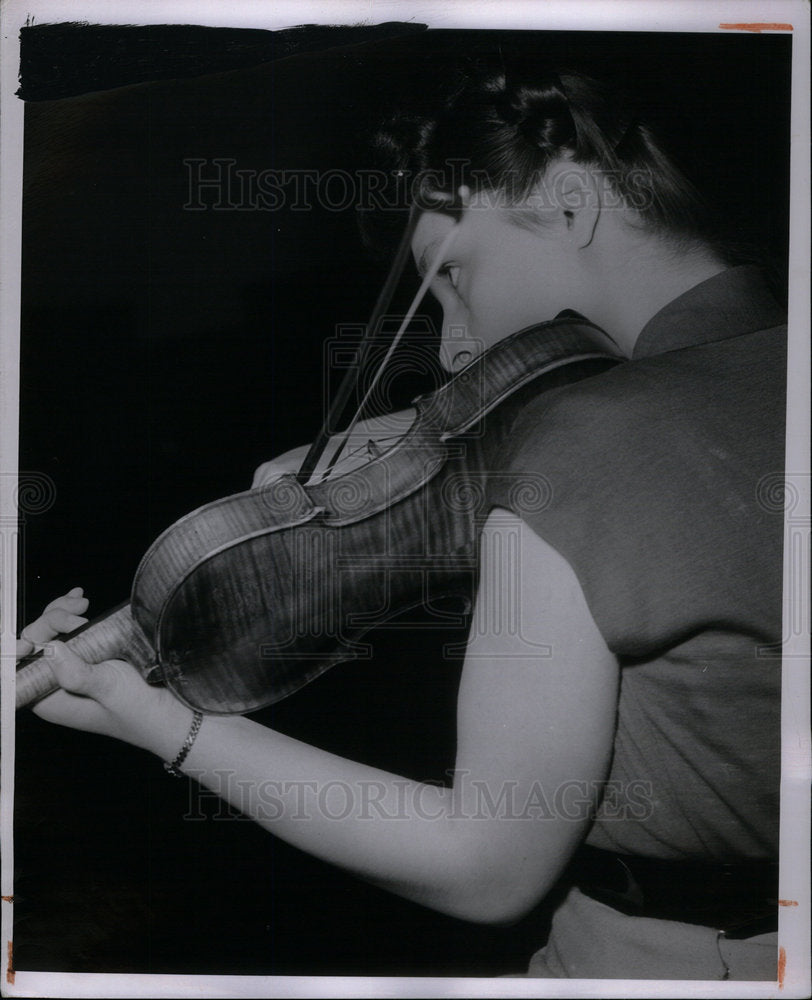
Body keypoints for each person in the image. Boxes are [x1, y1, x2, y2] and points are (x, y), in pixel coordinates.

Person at [18, 67, 786, 980]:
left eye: (454, 274)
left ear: (574, 202)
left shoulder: (579, 441)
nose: (456, 344)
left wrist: (153, 722)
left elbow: (485, 866)